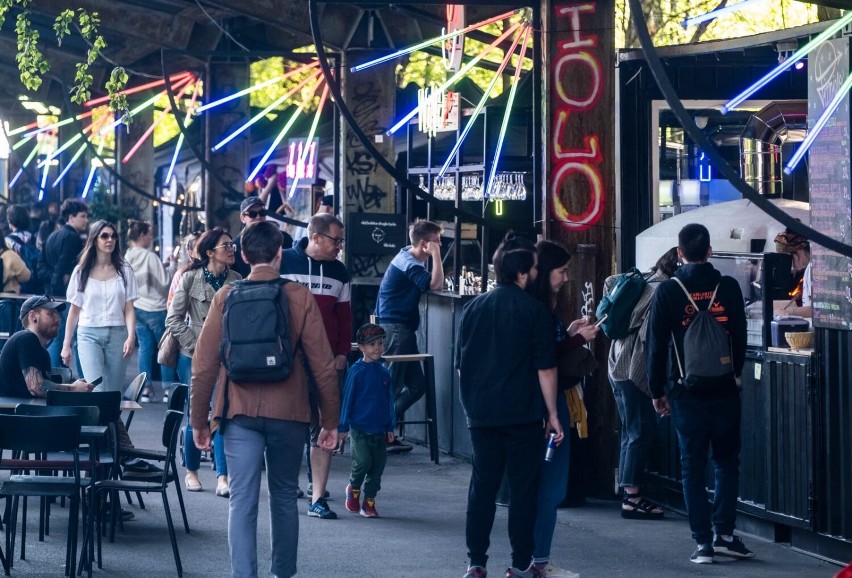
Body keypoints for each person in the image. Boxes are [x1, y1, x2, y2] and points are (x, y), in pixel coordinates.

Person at [191, 220, 339, 578]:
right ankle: (282, 574)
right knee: (285, 497)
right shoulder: (299, 295)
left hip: (239, 410)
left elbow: (203, 364)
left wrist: (199, 420)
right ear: (278, 254)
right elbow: (322, 364)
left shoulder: (226, 296)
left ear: (242, 255)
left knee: (242, 500)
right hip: (289, 411)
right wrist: (330, 421)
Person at [456, 232, 563, 578]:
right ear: (521, 273)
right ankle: (520, 563)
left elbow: (461, 365)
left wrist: (469, 407)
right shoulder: (535, 312)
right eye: (533, 268)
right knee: (522, 490)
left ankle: (476, 562)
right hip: (522, 414)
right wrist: (552, 414)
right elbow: (545, 369)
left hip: (481, 413)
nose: (535, 273)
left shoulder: (472, 308)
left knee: (482, 489)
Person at [647, 223, 752, 564]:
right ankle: (725, 533)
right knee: (725, 463)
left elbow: (656, 347)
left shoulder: (668, 292)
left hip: (685, 393)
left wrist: (656, 391)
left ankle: (703, 543)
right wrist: (733, 372)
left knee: (692, 468)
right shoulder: (730, 287)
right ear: (709, 251)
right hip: (724, 391)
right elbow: (739, 335)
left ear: (679, 253)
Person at [527, 240, 599, 578]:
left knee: (542, 486)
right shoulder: (539, 310)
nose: (566, 278)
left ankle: (532, 561)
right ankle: (537, 562)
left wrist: (570, 333)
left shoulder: (540, 308)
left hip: (538, 403)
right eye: (562, 271)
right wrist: (578, 340)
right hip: (548, 403)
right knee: (550, 485)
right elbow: (546, 359)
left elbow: (548, 349)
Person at [281, 213, 352, 519]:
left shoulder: (340, 272)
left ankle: (318, 497)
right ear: (317, 237)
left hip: (326, 362)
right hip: (289, 360)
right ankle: (286, 487)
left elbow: (345, 316)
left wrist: (342, 353)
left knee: (325, 428)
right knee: (287, 426)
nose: (340, 246)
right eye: (336, 240)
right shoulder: (283, 262)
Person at [166, 228, 240, 496]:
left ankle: (223, 477)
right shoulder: (190, 279)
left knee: (220, 414)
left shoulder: (237, 280)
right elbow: (173, 319)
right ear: (210, 252)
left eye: (232, 245)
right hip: (193, 355)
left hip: (227, 356)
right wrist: (198, 347)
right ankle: (192, 472)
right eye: (226, 246)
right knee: (195, 412)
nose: (232, 249)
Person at [605, 247, 678, 521]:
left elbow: (610, 284)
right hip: (633, 365)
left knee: (629, 430)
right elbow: (651, 337)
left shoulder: (644, 279)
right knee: (639, 431)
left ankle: (628, 491)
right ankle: (632, 497)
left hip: (616, 360)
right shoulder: (663, 291)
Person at [375, 219, 444, 452]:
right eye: (437, 241)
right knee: (392, 385)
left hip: (401, 329)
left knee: (417, 385)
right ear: (424, 243)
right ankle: (379, 436)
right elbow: (436, 285)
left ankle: (386, 430)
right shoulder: (410, 263)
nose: (440, 244)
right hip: (396, 329)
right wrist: (436, 256)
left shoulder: (410, 258)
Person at [61, 220, 137, 393]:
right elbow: (74, 310)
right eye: (104, 236)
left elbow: (129, 307)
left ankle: (111, 420)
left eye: (113, 236)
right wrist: (66, 345)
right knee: (95, 388)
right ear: (95, 240)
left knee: (113, 391)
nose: (110, 240)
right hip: (88, 334)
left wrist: (131, 336)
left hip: (118, 334)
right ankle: (98, 420)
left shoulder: (125, 270)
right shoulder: (81, 272)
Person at [339, 323, 395, 518]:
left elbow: (389, 401)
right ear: (361, 347)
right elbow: (347, 398)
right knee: (362, 461)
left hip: (379, 429)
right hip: (359, 428)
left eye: (380, 343)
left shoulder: (384, 372)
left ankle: (369, 501)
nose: (378, 347)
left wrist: (390, 426)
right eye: (372, 344)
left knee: (377, 467)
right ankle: (353, 489)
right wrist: (343, 426)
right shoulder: (356, 371)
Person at [0, 295, 93, 397]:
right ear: (33, 316)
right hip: (10, 410)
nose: (57, 319)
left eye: (57, 314)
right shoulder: (26, 339)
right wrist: (73, 388)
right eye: (51, 314)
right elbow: (37, 388)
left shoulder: (41, 350)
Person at [125, 219, 174, 402]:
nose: (151, 237)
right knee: (165, 348)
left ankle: (145, 389)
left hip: (136, 308)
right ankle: (168, 389)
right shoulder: (150, 256)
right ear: (143, 235)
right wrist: (171, 268)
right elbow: (163, 283)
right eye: (150, 234)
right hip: (156, 308)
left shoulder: (128, 256)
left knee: (145, 348)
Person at [41, 198, 88, 368]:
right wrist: (61, 279)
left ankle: (55, 375)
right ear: (71, 217)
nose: (86, 220)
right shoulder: (72, 238)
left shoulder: (52, 236)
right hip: (66, 295)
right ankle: (63, 376)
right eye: (83, 216)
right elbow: (62, 266)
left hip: (52, 294)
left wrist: (54, 281)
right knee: (72, 338)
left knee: (56, 338)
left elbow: (41, 268)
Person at [773, 229, 812, 318]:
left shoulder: (811, 269)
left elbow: (816, 310)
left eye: (789, 260)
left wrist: (789, 312)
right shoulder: (809, 268)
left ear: (799, 252)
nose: (791, 267)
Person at [233, 196, 268, 278]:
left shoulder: (278, 239)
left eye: (262, 213)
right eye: (252, 214)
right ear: (242, 218)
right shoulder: (235, 247)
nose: (258, 217)